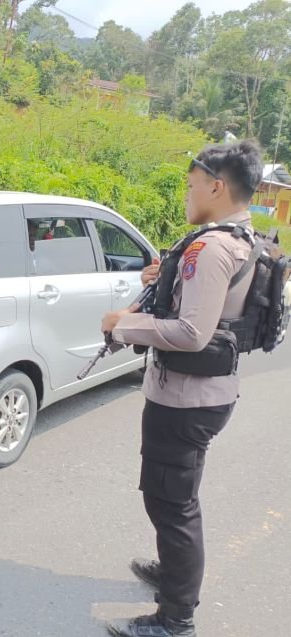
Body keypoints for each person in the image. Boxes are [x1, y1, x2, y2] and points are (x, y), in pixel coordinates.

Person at [102, 140, 264, 637]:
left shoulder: (212, 246)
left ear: (217, 185)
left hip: (187, 399)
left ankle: (176, 618)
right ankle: (173, 575)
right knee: (173, 494)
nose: (187, 195)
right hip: (204, 394)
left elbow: (192, 333)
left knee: (172, 504)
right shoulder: (241, 236)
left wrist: (121, 325)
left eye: (192, 185)